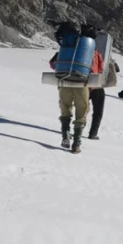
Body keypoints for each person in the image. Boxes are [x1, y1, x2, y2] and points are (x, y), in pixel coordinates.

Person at [49, 25, 103, 153]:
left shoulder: (67, 48)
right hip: (82, 85)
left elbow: (53, 64)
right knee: (81, 113)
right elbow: (99, 70)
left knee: (65, 110)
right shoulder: (93, 53)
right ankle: (76, 143)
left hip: (64, 83)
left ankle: (65, 135)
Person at [88, 58, 120, 140]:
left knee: (81, 109)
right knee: (98, 112)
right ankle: (93, 133)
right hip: (97, 86)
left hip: (84, 84)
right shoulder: (105, 54)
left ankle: (75, 130)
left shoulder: (84, 51)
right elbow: (117, 70)